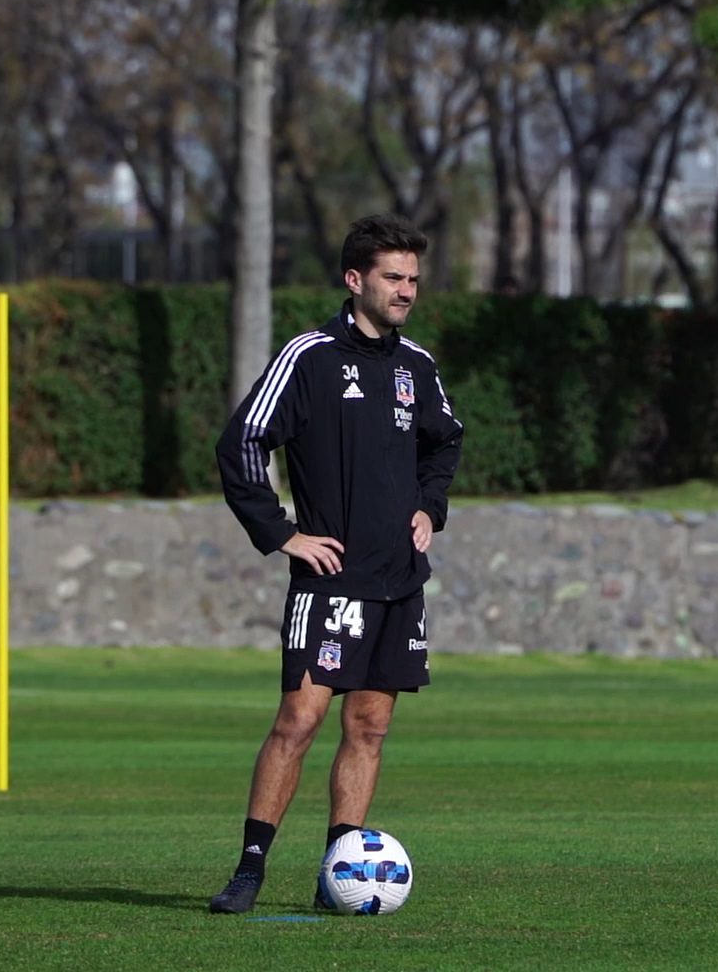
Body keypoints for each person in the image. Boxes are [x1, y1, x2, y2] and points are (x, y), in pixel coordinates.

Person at [206, 214, 464, 915]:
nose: (406, 290)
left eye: (413, 278)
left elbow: (446, 443)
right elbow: (242, 445)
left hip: (399, 582)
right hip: (331, 582)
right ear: (355, 280)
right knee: (300, 719)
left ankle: (337, 875)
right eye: (392, 277)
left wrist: (429, 509)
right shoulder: (309, 357)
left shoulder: (418, 368)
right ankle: (250, 870)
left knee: (370, 727)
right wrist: (282, 533)